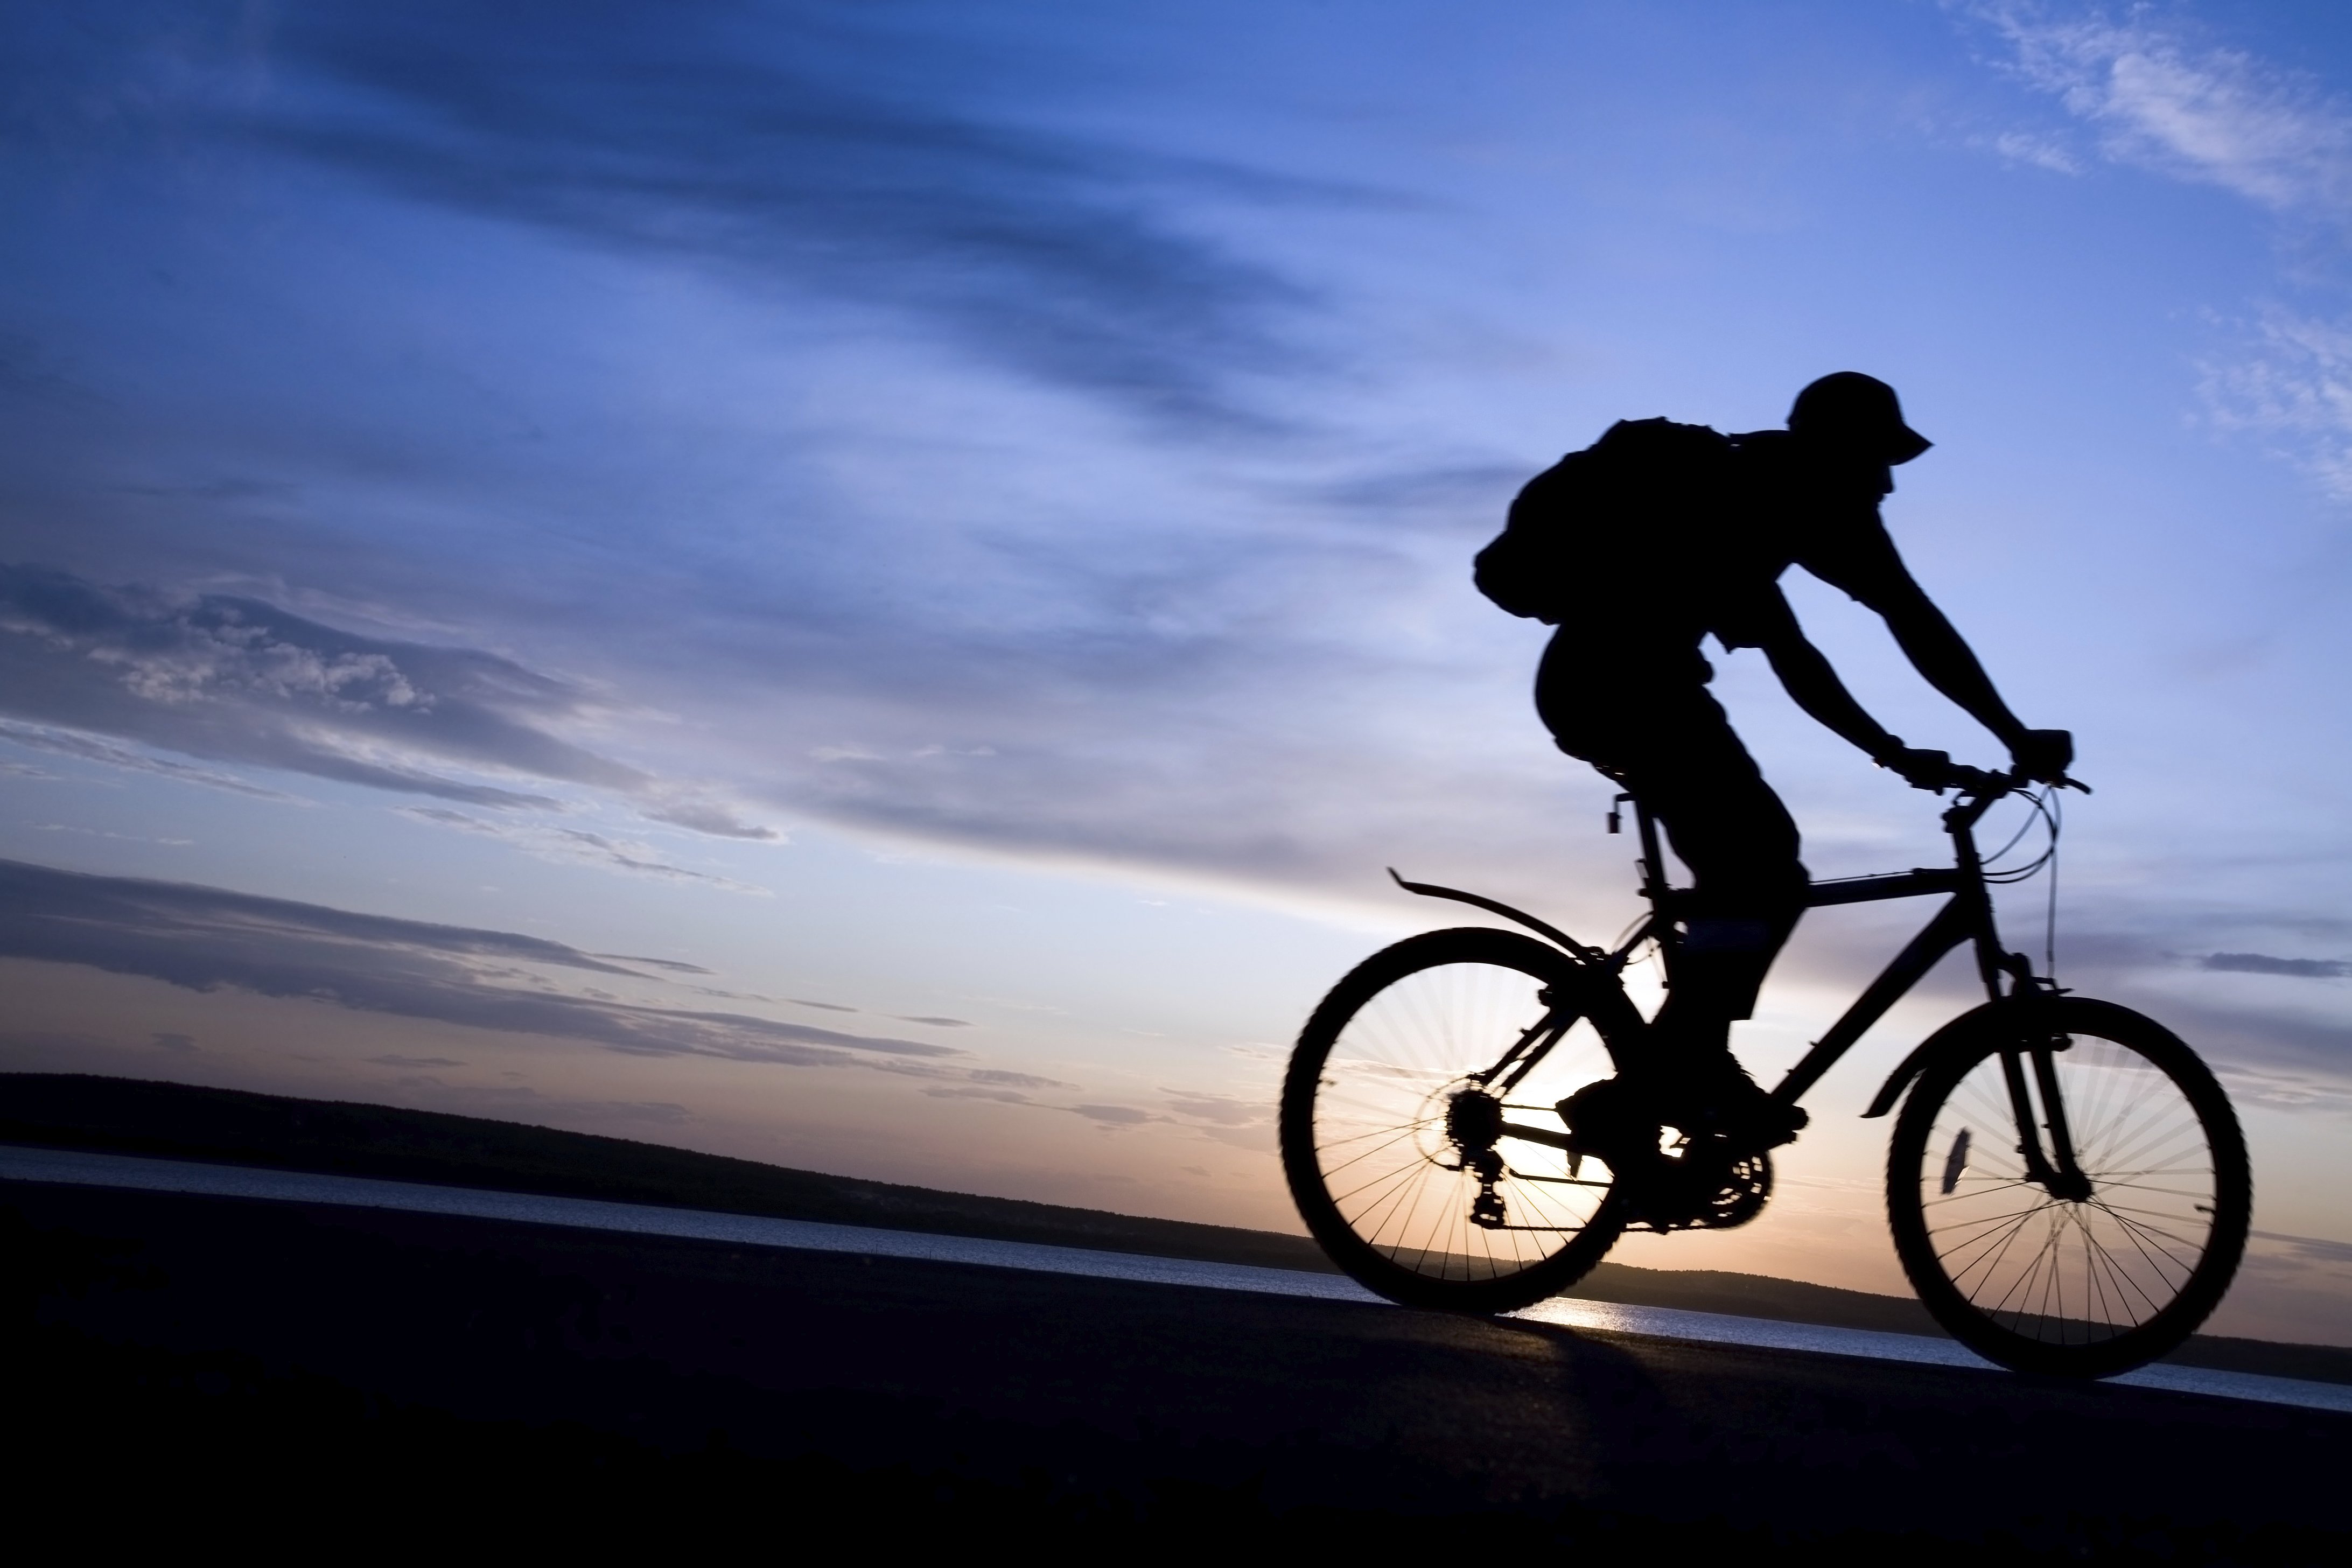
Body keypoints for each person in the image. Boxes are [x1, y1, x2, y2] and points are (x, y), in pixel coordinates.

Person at [1524, 373, 2071, 1147]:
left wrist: (1897, 752)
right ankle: (1659, 1082)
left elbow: (1833, 646)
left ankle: (1685, 1067)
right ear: (1835, 450)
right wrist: (2008, 736)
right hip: (1616, 687)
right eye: (1878, 459)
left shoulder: (1777, 505)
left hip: (1640, 687)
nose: (1886, 482)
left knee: (1752, 871)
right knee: (1763, 865)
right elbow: (1866, 635)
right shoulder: (1747, 499)